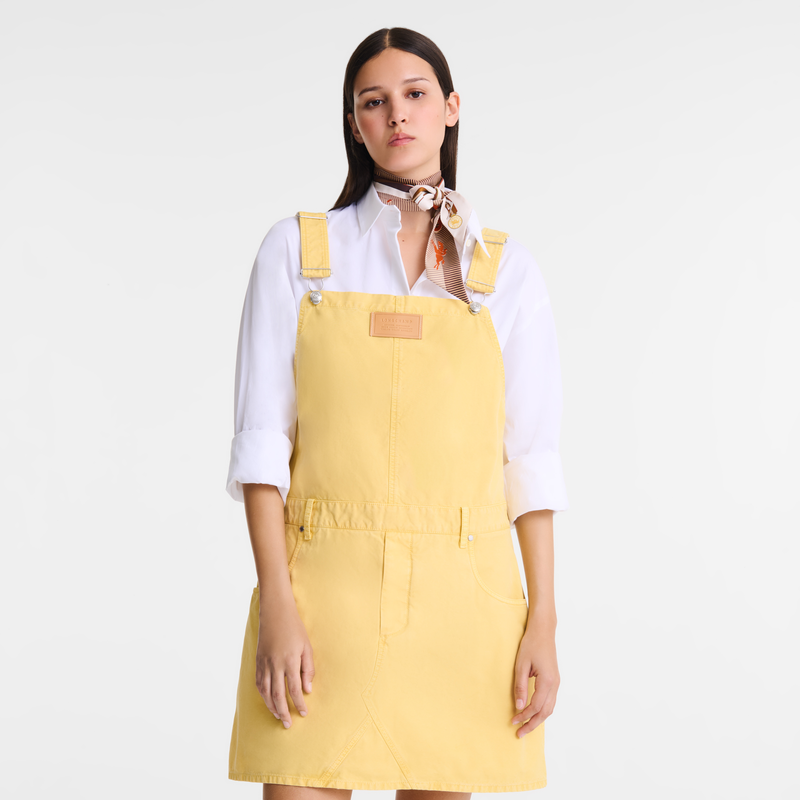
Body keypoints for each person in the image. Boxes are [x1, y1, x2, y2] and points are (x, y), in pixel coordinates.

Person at [225, 26, 569, 798]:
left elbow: (531, 465)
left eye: (415, 94)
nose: (397, 115)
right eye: (373, 102)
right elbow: (260, 447)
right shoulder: (298, 254)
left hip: (464, 604)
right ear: (355, 124)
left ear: (451, 108)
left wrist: (542, 620)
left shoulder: (505, 274)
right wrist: (276, 603)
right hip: (320, 599)